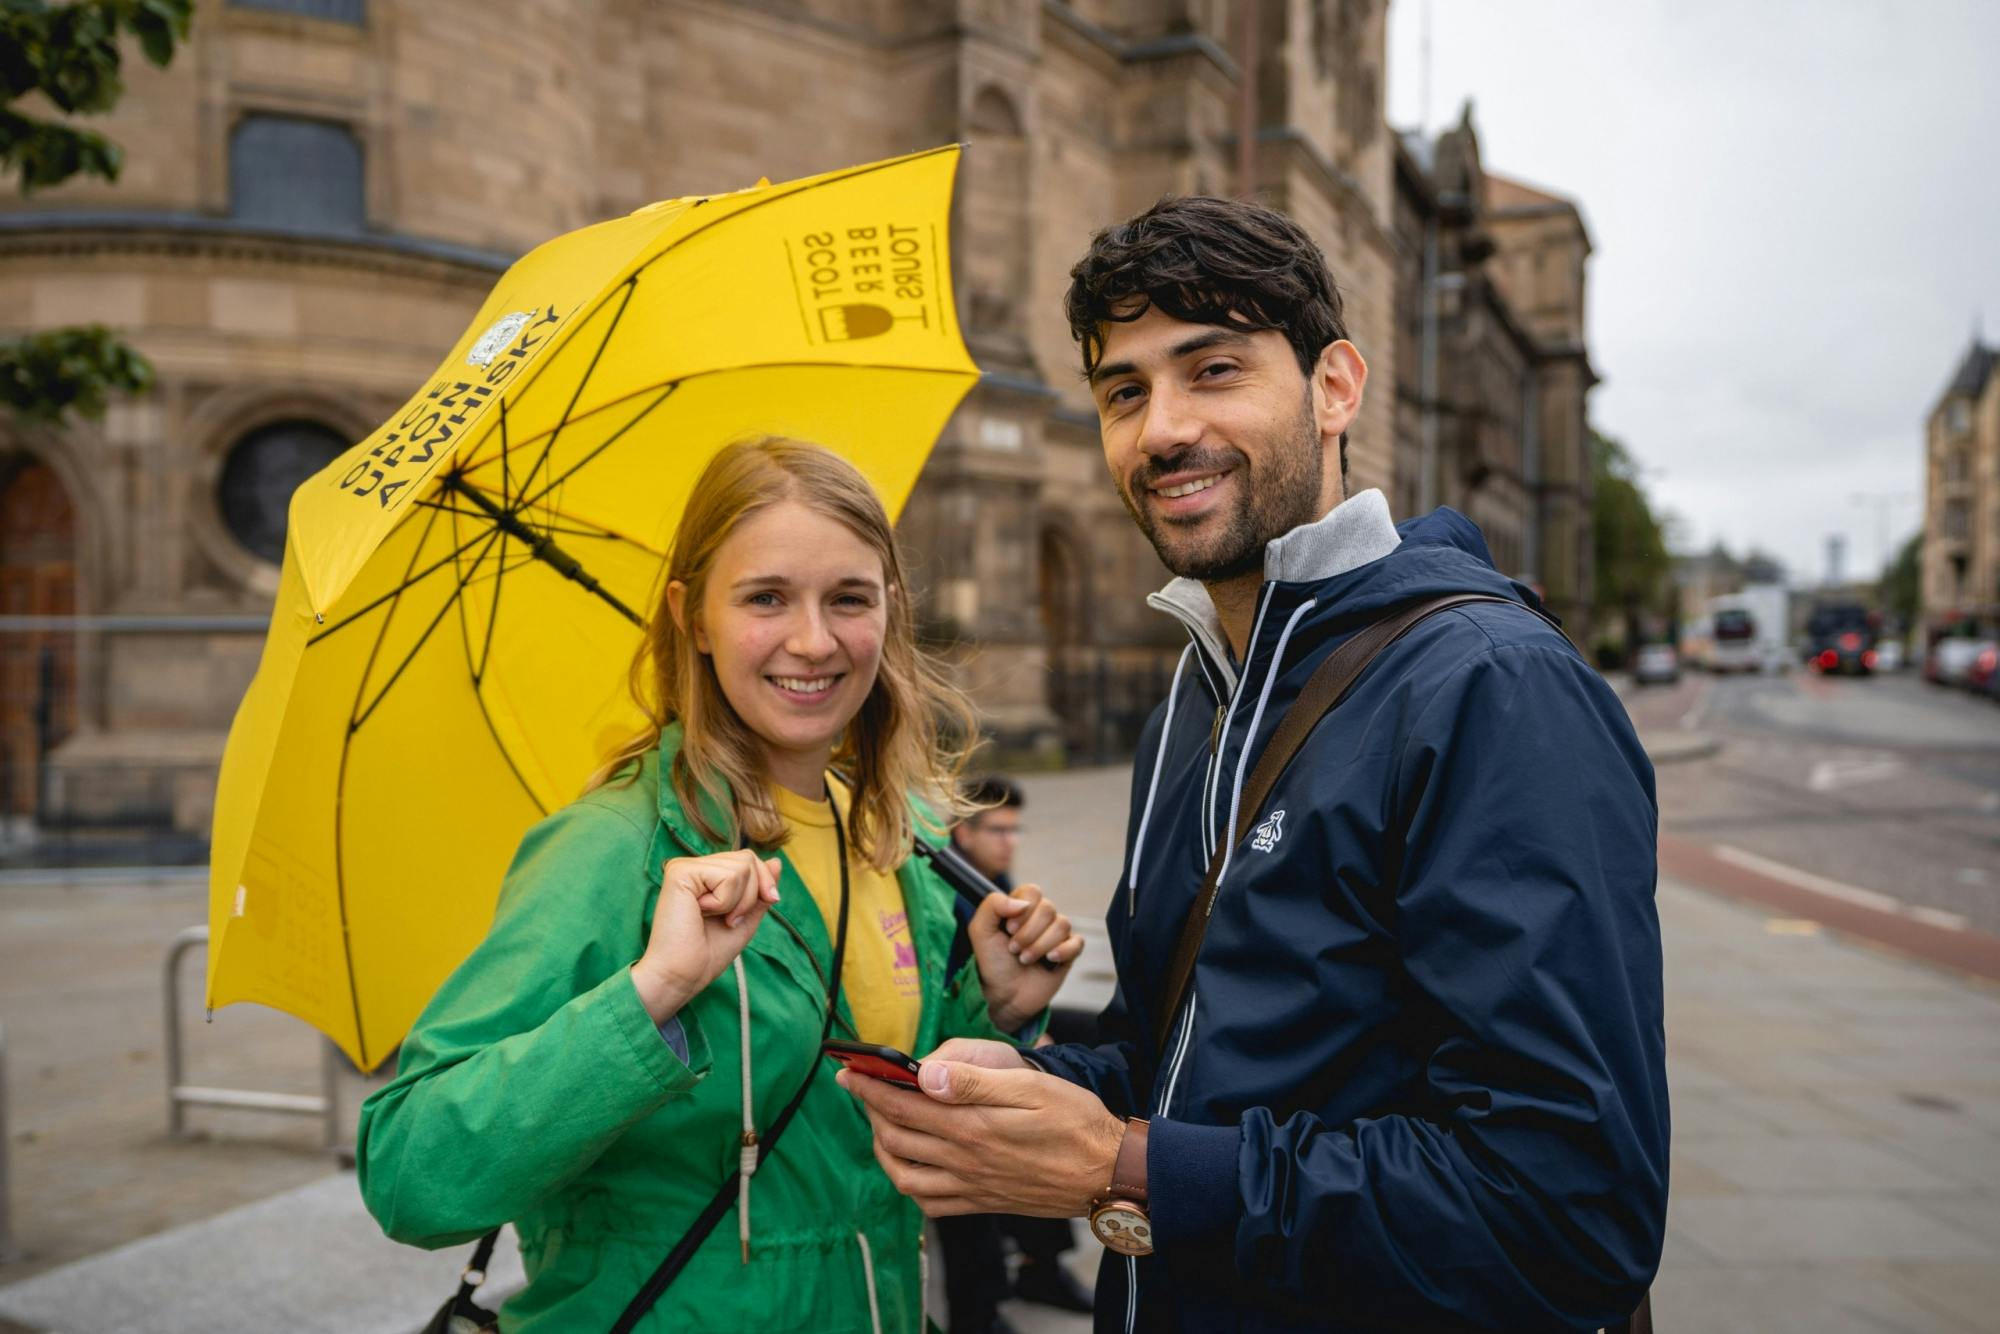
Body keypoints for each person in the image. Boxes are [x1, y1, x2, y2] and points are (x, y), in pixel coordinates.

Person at [841, 197, 1668, 1332]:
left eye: (1212, 368)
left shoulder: (1488, 687)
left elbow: (1568, 1207)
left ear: (1334, 386)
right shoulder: (1191, 696)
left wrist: (1125, 1163)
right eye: (1122, 391)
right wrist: (1036, 1090)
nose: (1161, 427)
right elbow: (1178, 1066)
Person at [357, 437, 1083, 1333]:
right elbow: (410, 1174)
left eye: (848, 598)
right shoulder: (611, 849)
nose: (813, 641)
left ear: (890, 612)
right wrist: (651, 994)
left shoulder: (901, 840)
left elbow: (883, 1128)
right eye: (766, 598)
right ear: (691, 615)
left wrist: (995, 1012)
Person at [935, 778, 1094, 1334]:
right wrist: (1024, 1039)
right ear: (963, 829)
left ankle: (1040, 1262)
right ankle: (984, 1306)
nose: (1008, 842)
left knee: (1096, 1038)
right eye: (996, 830)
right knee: (998, 1129)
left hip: (984, 1016)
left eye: (1013, 829)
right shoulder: (946, 884)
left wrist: (1024, 1025)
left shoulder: (991, 878)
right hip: (940, 1037)